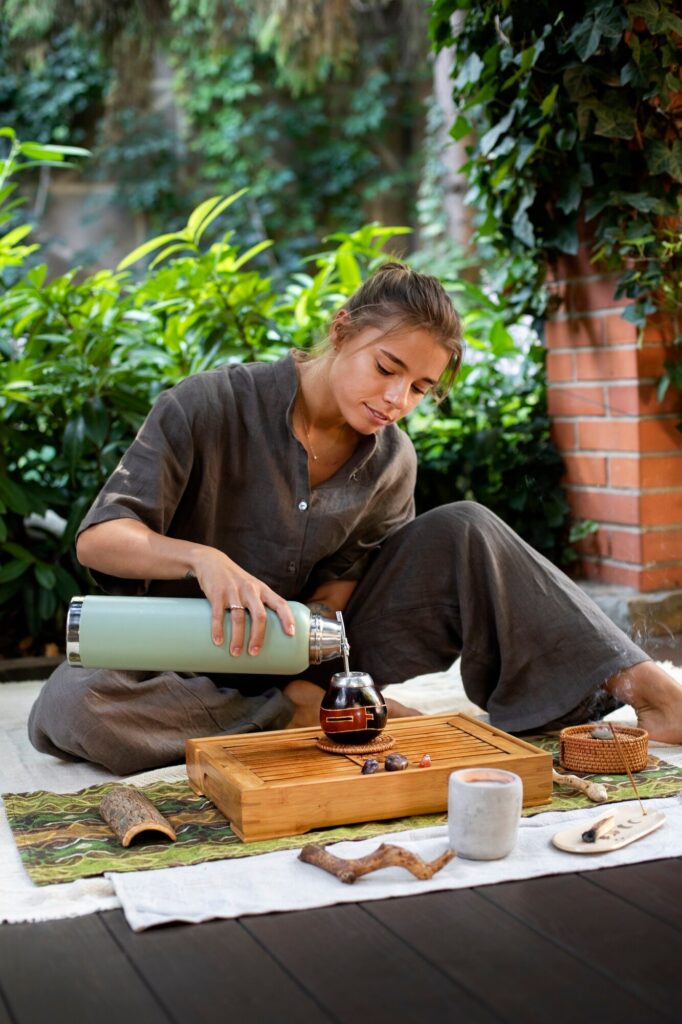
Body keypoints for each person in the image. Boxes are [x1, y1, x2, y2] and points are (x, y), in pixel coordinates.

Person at [28, 263, 682, 774]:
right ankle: (298, 715)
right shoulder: (209, 405)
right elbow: (100, 538)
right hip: (185, 654)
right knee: (74, 703)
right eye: (387, 368)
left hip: (316, 649)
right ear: (343, 330)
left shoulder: (393, 460)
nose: (398, 399)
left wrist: (315, 637)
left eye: (421, 389)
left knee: (469, 528)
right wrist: (203, 560)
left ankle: (644, 687)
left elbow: (346, 590)